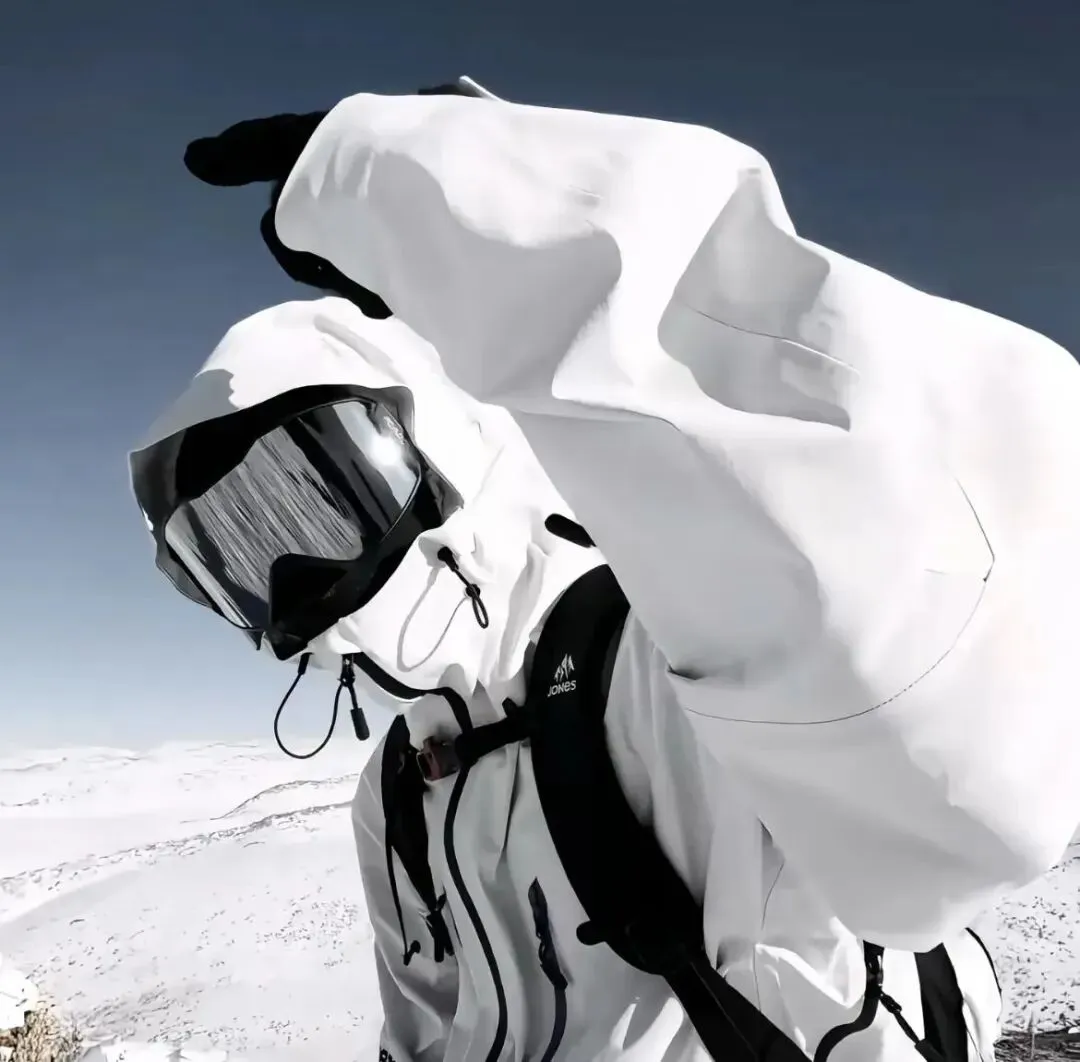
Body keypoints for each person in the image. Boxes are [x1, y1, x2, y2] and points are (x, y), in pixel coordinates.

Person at [136, 84, 1080, 1062]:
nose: (293, 584)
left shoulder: (675, 660)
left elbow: (959, 766)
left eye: (309, 501)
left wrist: (459, 198)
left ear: (438, 442)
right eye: (230, 556)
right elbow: (421, 1033)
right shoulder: (399, 795)